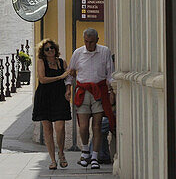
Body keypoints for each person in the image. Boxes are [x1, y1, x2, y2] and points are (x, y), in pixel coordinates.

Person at [66, 28, 115, 169]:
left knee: (97, 126)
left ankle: (95, 156)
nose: (89, 45)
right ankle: (85, 151)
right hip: (83, 92)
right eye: (86, 42)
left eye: (91, 42)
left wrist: (111, 91)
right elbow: (70, 72)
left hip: (99, 92)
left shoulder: (105, 51)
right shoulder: (78, 53)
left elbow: (109, 74)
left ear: (97, 40)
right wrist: (68, 88)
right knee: (83, 126)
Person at [31, 39, 72, 170]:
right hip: (44, 97)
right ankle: (53, 160)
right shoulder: (41, 62)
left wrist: (68, 90)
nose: (50, 50)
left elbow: (68, 78)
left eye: (52, 48)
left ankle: (61, 153)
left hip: (59, 96)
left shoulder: (62, 62)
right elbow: (42, 80)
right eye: (47, 49)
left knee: (60, 127)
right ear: (43, 52)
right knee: (48, 129)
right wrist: (60, 77)